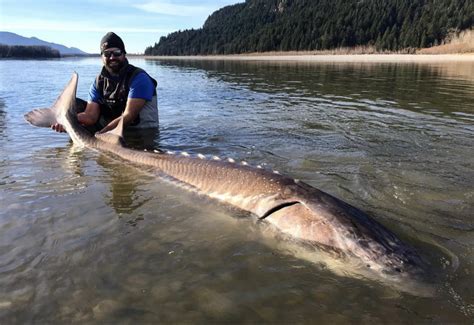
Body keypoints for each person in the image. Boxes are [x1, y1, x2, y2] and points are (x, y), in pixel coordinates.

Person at [52, 32, 158, 135]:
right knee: (73, 106)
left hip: (141, 133)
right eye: (107, 54)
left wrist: (101, 135)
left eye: (116, 52)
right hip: (111, 132)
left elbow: (128, 116)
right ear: (102, 57)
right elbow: (90, 116)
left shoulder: (139, 78)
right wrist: (67, 121)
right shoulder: (99, 82)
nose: (112, 57)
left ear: (124, 54)